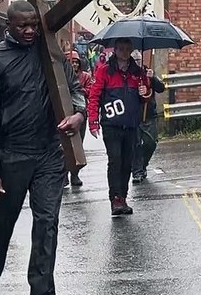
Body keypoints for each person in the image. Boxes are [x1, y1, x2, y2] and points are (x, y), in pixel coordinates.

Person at [0, 1, 86, 295]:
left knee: (47, 224)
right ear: (9, 25)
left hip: (49, 153)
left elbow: (75, 91)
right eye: (22, 25)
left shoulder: (51, 57)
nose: (29, 31)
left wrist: (78, 115)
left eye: (34, 25)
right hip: (11, 154)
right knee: (0, 223)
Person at [87, 38, 156, 216]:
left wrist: (145, 92)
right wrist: (93, 121)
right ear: (115, 50)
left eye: (127, 49)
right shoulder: (104, 71)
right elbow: (94, 96)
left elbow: (146, 97)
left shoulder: (139, 72)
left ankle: (123, 197)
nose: (124, 52)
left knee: (127, 163)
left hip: (131, 125)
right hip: (111, 125)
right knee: (115, 160)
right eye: (121, 49)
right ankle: (115, 199)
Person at [131, 51, 166, 183]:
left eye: (138, 60)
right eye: (134, 60)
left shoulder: (148, 72)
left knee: (150, 143)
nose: (137, 62)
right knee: (136, 145)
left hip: (149, 114)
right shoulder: (128, 74)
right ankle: (137, 171)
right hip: (134, 115)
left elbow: (161, 88)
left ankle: (143, 165)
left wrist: (153, 78)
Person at [66, 50, 93, 190]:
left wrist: (77, 89)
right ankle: (63, 174)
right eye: (72, 62)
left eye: (76, 62)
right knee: (63, 145)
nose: (74, 65)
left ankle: (74, 174)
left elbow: (90, 90)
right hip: (64, 113)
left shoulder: (85, 76)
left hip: (80, 113)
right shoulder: (62, 76)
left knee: (78, 144)